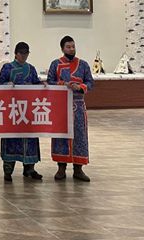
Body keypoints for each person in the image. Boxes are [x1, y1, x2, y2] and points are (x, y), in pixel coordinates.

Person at [47, 35, 94, 182]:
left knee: (79, 136)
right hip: (61, 106)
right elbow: (50, 82)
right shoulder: (55, 64)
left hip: (78, 106)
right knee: (61, 136)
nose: (71, 49)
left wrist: (80, 87)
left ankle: (78, 169)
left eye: (73, 46)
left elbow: (90, 83)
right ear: (62, 48)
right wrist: (63, 84)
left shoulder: (83, 65)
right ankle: (61, 168)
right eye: (68, 47)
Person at [0, 42, 45, 182]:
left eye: (26, 53)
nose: (24, 56)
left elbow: (36, 83)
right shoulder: (7, 68)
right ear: (16, 54)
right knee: (11, 139)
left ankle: (29, 168)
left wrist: (41, 85)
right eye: (21, 53)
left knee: (30, 139)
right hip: (12, 111)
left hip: (29, 111)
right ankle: (8, 171)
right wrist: (6, 85)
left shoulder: (31, 69)